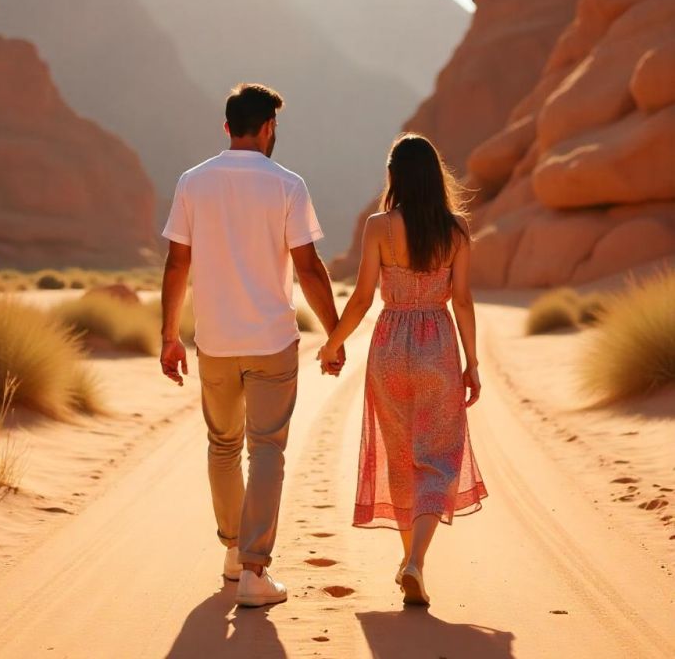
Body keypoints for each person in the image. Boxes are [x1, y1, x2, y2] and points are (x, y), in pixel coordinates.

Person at [160, 83, 344, 608]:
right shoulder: (287, 184)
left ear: (226, 127)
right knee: (266, 450)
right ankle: (255, 572)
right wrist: (334, 333)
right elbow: (308, 267)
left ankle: (232, 550)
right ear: (267, 128)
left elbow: (177, 264)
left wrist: (169, 336)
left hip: (214, 342)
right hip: (270, 342)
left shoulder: (192, 182)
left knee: (223, 445)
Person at [317, 133, 487, 605]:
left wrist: (333, 343)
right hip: (438, 347)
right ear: (436, 177)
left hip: (390, 343)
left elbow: (362, 297)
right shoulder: (455, 231)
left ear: (394, 176)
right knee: (439, 456)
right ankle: (416, 563)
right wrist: (472, 362)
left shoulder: (378, 227)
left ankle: (408, 558)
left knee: (399, 454)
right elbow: (463, 300)